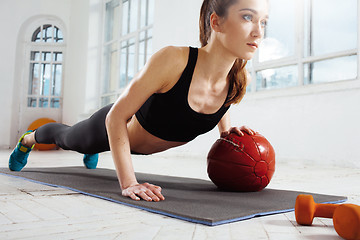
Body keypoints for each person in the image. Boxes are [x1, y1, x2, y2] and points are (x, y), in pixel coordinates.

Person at [9, 0, 269, 202]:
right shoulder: (173, 60)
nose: (258, 31)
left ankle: (92, 150)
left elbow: (216, 100)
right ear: (216, 22)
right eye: (248, 17)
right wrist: (129, 183)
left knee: (85, 144)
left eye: (264, 22)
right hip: (112, 125)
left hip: (135, 142)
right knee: (68, 139)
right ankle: (29, 139)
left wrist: (227, 133)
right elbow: (116, 118)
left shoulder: (235, 78)